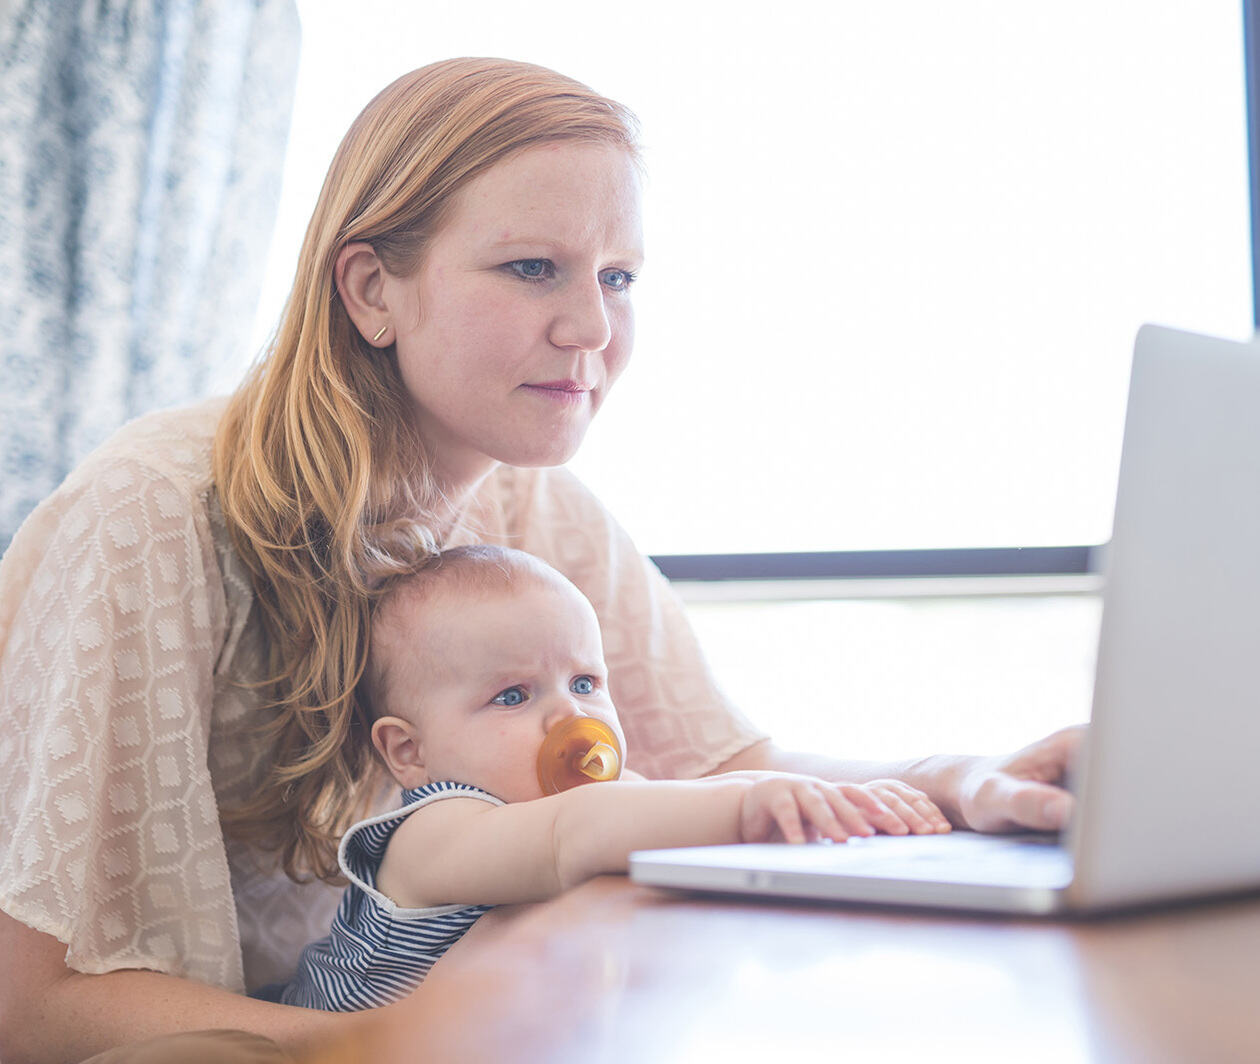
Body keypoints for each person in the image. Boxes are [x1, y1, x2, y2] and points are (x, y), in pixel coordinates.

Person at [0, 56, 1082, 1063]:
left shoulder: (530, 497)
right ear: (372, 289)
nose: (591, 329)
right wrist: (398, 1038)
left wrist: (955, 781)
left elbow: (716, 762)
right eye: (533, 268)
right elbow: (33, 1003)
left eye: (619, 277)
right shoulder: (156, 510)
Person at [278, 544, 952, 1011]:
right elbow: (571, 837)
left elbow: (643, 819)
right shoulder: (431, 832)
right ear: (409, 752)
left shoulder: (600, 794)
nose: (569, 714)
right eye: (513, 695)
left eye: (584, 681)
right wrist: (753, 804)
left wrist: (817, 808)